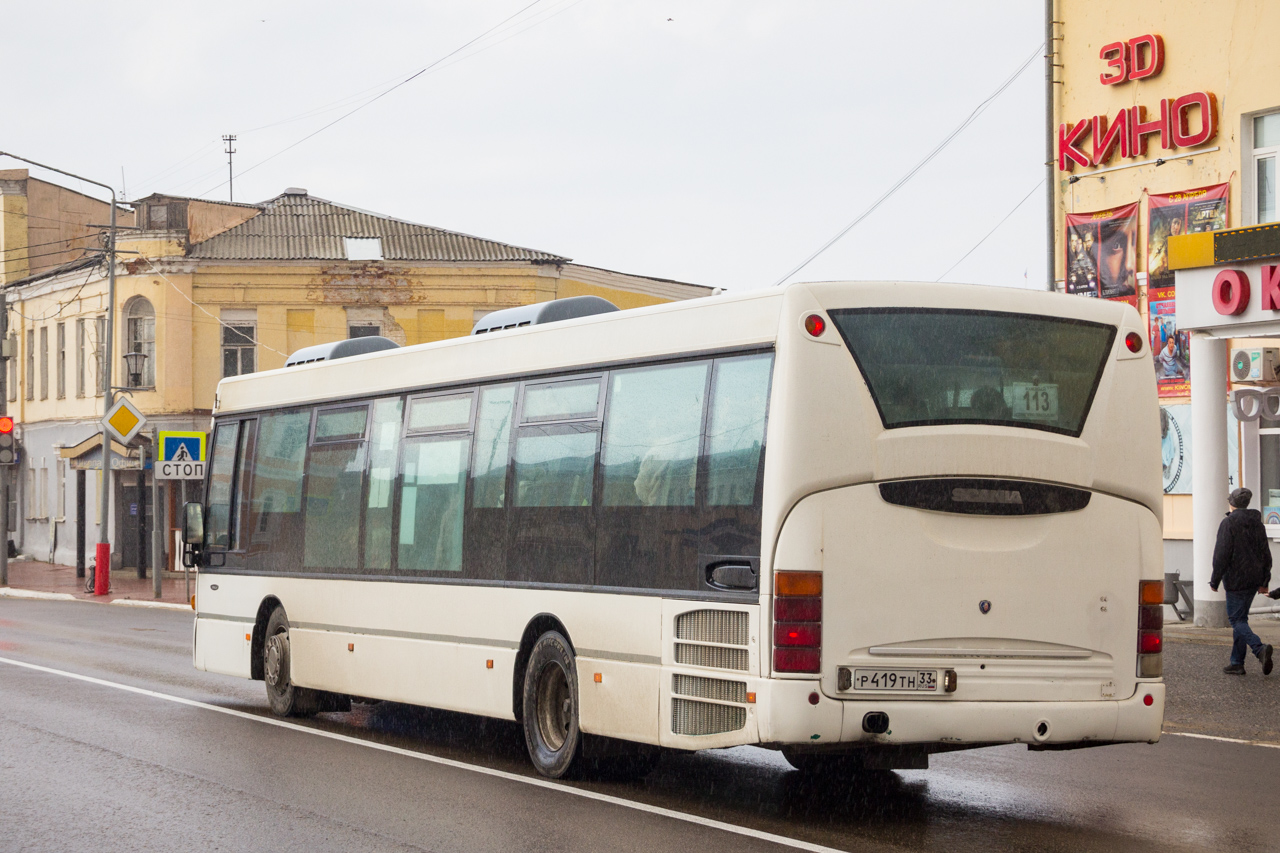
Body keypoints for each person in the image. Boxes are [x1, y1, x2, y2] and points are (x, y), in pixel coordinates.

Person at [1210, 488, 1274, 675]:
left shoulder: (1228, 523)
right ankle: (1237, 662)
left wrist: (1214, 580)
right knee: (1241, 619)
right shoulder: (1257, 524)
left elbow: (1221, 555)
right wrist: (1264, 580)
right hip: (1254, 580)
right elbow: (1266, 555)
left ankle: (1259, 649)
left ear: (1232, 503)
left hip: (1236, 581)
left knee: (1236, 620)